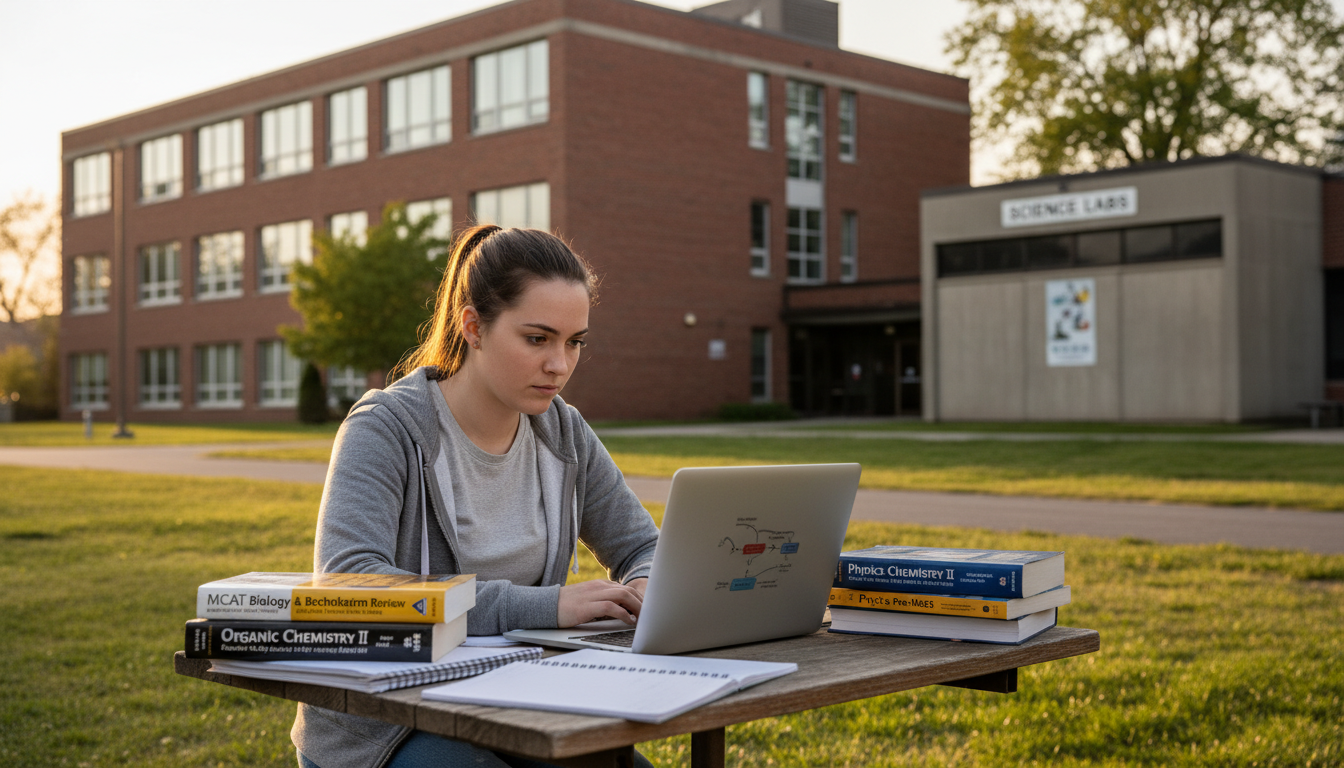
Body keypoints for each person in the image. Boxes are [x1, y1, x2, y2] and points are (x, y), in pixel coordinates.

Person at [292, 224, 660, 768]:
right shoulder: (386, 428)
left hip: (521, 701)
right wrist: (545, 607)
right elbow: (349, 582)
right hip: (388, 724)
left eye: (574, 341)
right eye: (537, 339)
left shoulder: (563, 430)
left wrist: (647, 583)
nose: (559, 364)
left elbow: (639, 545)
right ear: (473, 326)